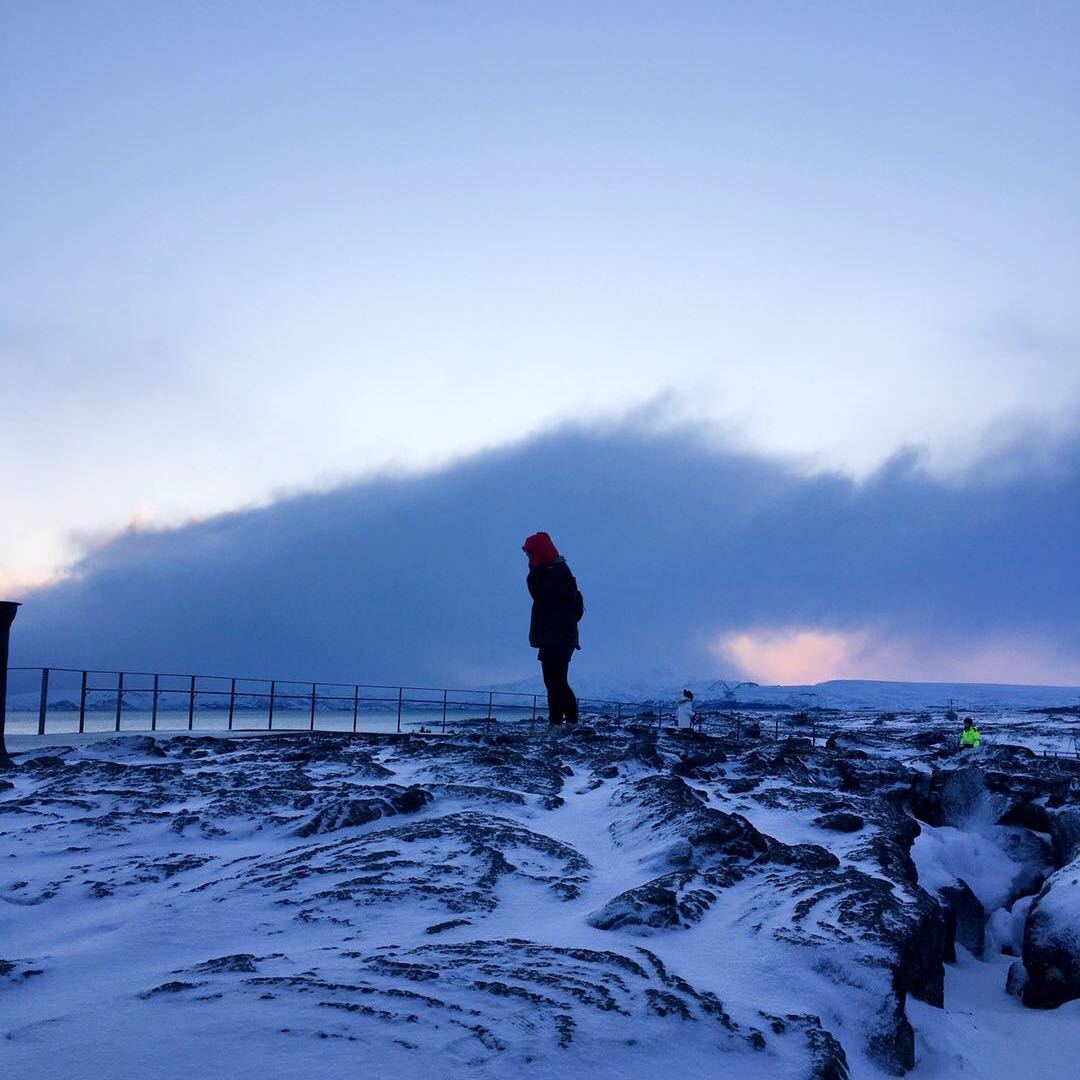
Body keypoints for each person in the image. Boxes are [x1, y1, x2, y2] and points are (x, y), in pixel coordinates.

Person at [523, 532, 583, 725]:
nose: (529, 559)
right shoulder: (556, 571)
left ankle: (568, 722)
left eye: (531, 554)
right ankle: (558, 722)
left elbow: (539, 596)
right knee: (554, 682)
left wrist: (534, 571)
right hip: (556, 637)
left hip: (558, 637)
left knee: (556, 682)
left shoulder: (557, 574)